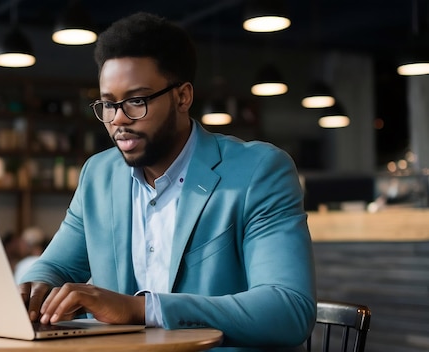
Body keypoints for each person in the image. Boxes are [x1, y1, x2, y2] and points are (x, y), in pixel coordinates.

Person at [19, 12, 316, 351]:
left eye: (136, 101)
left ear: (182, 97)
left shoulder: (260, 171)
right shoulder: (98, 175)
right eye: (108, 104)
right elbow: (56, 266)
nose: (118, 119)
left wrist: (140, 309)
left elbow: (288, 309)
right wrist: (32, 289)